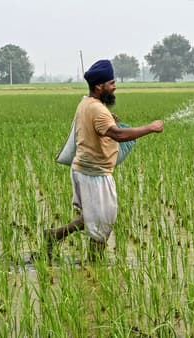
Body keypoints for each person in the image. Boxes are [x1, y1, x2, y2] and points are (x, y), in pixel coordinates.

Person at [45, 59, 163, 261]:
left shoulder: (87, 103)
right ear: (99, 86)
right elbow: (118, 135)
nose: (115, 86)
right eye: (111, 83)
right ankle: (94, 265)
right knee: (103, 222)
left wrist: (110, 119)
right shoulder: (98, 110)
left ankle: (55, 234)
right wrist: (150, 128)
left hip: (85, 169)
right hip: (94, 173)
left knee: (92, 216)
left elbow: (99, 127)